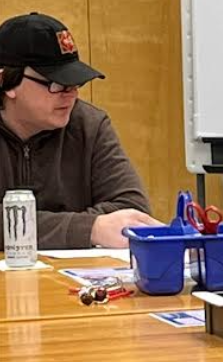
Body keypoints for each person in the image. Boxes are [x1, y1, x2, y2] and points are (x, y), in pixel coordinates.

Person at [0, 13, 158, 251]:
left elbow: (132, 212)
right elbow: (102, 226)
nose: (71, 95)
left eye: (76, 83)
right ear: (7, 82)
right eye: (56, 84)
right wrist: (90, 229)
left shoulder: (89, 125)